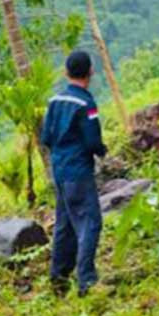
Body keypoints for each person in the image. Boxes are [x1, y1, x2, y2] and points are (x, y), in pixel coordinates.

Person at [42, 50, 107, 295]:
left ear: (66, 72)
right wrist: (101, 150)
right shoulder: (86, 104)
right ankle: (87, 280)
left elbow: (46, 137)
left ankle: (58, 278)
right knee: (90, 223)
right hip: (78, 172)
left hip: (59, 172)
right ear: (90, 71)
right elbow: (92, 141)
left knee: (65, 224)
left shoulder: (54, 101)